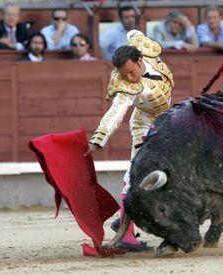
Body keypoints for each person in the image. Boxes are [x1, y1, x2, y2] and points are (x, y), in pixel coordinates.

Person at [85, 30, 174, 252]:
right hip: (143, 123)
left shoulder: (145, 49)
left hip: (167, 118)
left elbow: (133, 33)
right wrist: (98, 139)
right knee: (135, 173)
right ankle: (127, 235)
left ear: (140, 60)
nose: (130, 79)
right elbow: (116, 112)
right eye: (124, 74)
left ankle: (127, 220)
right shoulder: (127, 87)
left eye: (132, 72)